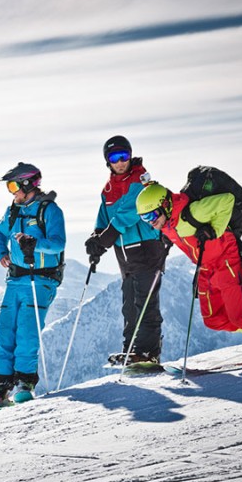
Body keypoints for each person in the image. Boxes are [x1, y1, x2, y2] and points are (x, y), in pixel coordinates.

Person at [136, 181, 242, 356]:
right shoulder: (167, 224)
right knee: (214, 319)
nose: (150, 222)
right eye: (144, 218)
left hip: (227, 260)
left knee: (240, 316)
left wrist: (214, 230)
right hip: (206, 268)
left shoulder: (194, 211)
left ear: (165, 205)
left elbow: (227, 200)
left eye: (151, 216)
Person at [84, 136, 166, 364]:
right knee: (129, 304)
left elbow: (128, 214)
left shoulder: (140, 181)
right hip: (125, 253)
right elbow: (103, 218)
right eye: (114, 158)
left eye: (124, 156)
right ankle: (132, 349)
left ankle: (148, 352)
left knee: (145, 301)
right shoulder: (108, 189)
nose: (120, 162)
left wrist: (105, 238)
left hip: (147, 248)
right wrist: (95, 239)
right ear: (107, 161)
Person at [0, 162, 66, 405]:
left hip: (40, 279)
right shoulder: (13, 210)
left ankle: (25, 382)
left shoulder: (50, 211)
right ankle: (1, 387)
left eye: (13, 185)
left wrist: (35, 243)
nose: (11, 192)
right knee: (5, 331)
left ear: (27, 184)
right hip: (15, 279)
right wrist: (1, 251)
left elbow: (58, 244)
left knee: (26, 331)